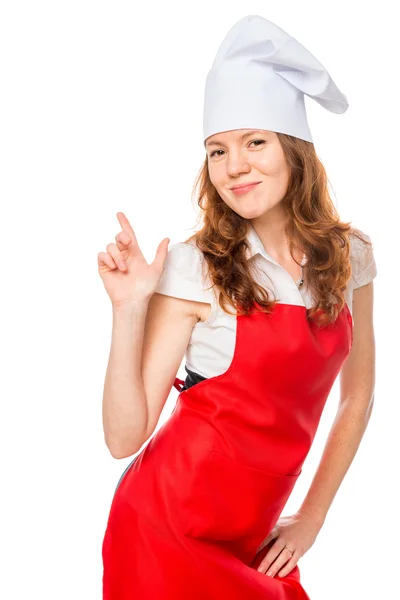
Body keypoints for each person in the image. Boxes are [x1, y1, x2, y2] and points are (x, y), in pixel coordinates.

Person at [99, 15, 377, 600]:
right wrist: (129, 310)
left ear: (295, 150)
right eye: (217, 150)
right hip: (163, 531)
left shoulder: (350, 257)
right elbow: (125, 437)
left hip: (256, 540)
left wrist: (313, 516)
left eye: (256, 142)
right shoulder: (194, 266)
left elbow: (358, 393)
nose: (234, 167)